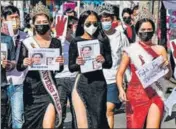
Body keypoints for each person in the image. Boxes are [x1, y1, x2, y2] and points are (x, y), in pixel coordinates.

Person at [116, 10, 172, 128]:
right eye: (143, 30)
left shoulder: (160, 49)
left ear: (154, 31)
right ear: (137, 31)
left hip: (156, 91)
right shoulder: (130, 51)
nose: (146, 32)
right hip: (136, 94)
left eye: (149, 30)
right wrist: (121, 89)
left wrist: (167, 66)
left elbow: (167, 76)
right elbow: (120, 73)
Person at [16, 2, 64, 128]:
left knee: (48, 126)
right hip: (31, 89)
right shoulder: (27, 43)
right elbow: (19, 66)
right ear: (33, 24)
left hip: (48, 89)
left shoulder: (55, 42)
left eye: (44, 22)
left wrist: (60, 62)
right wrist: (25, 62)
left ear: (49, 23)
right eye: (38, 22)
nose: (41, 25)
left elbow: (59, 68)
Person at [69, 10, 112, 128]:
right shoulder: (76, 41)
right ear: (82, 24)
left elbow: (109, 64)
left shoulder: (103, 40)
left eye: (95, 23)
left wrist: (103, 60)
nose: (92, 27)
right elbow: (71, 67)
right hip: (82, 83)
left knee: (97, 121)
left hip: (99, 85)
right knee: (82, 123)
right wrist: (78, 63)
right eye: (88, 24)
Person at [100, 10, 129, 128]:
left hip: (113, 78)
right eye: (102, 20)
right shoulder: (96, 36)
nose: (105, 22)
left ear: (113, 20)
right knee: (98, 111)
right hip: (98, 78)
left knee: (109, 109)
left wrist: (126, 79)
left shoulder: (121, 37)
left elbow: (127, 58)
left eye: (107, 20)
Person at [2, 5, 28, 129]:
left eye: (17, 17)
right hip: (2, 82)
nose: (15, 21)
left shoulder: (26, 37)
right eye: (11, 18)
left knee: (18, 119)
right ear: (4, 19)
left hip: (18, 82)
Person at [55, 16, 78, 129]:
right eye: (67, 27)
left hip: (74, 78)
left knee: (76, 110)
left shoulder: (77, 42)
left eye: (72, 27)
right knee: (60, 111)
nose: (69, 30)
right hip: (60, 79)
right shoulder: (56, 41)